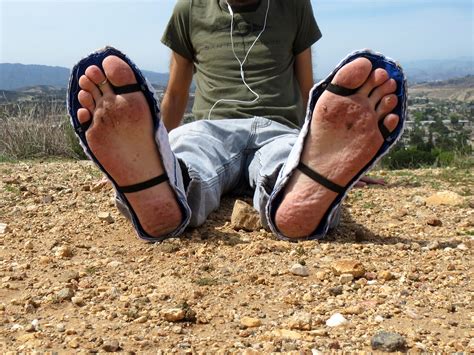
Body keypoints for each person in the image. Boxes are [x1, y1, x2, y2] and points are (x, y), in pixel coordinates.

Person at [68, 0, 405, 242]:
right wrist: (144, 156)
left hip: (279, 128)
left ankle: (308, 180)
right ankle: (159, 184)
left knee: (283, 156)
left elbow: (309, 91)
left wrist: (332, 156)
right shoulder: (188, 9)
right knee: (190, 149)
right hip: (212, 126)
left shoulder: (294, 6)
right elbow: (176, 93)